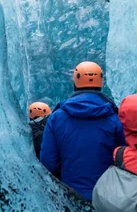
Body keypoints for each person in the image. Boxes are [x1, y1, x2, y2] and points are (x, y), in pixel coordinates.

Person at [40, 61, 125, 200]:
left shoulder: (57, 117)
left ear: (75, 80)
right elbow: (125, 159)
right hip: (108, 198)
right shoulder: (115, 118)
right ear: (101, 82)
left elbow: (48, 161)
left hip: (70, 196)